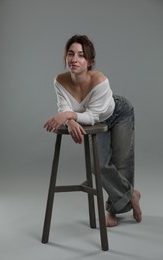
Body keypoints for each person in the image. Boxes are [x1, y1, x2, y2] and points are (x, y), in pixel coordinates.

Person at [44, 34, 142, 227]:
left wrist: (67, 116)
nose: (74, 59)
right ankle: (131, 195)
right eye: (70, 54)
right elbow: (65, 109)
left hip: (118, 113)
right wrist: (70, 121)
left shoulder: (100, 80)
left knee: (121, 162)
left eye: (81, 55)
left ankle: (112, 210)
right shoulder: (59, 81)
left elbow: (92, 117)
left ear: (89, 61)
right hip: (93, 121)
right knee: (99, 165)